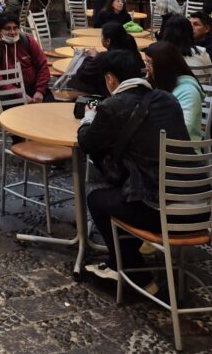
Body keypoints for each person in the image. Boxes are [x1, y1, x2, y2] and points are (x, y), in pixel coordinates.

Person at [79, 49, 190, 289]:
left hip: (160, 211)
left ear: (110, 79)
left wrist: (88, 118)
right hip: (196, 205)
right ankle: (119, 262)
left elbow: (86, 143)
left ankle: (137, 276)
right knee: (122, 192)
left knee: (97, 199)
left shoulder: (112, 106)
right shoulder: (168, 99)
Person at [145, 42, 203, 147]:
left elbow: (184, 130)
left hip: (182, 151)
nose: (147, 68)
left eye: (149, 63)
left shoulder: (188, 92)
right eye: (146, 62)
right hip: (159, 146)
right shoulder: (163, 84)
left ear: (163, 66)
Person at [0, 11, 51, 103]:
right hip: (9, 92)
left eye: (15, 28)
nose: (12, 32)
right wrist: (21, 95)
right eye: (7, 29)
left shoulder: (27, 41)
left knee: (51, 105)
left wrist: (40, 91)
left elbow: (43, 66)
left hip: (34, 88)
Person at [159, 14, 211, 81]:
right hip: (197, 87)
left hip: (168, 87)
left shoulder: (158, 53)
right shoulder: (201, 52)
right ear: (190, 32)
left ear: (166, 32)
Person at [189, 11, 212, 80]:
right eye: (189, 24)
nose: (190, 27)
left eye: (196, 24)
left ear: (206, 29)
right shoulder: (191, 41)